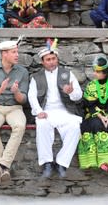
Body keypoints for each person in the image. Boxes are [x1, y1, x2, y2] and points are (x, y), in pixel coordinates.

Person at [28, 39, 83, 178]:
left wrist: (71, 92)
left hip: (65, 111)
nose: (51, 62)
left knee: (75, 127)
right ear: (43, 62)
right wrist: (39, 112)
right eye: (48, 59)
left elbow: (78, 96)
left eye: (53, 58)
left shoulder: (67, 74)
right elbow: (32, 97)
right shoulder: (36, 77)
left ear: (57, 59)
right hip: (46, 111)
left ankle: (62, 162)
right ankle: (47, 163)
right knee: (42, 125)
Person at [0, 37, 28, 184]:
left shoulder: (23, 71)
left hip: (15, 107)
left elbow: (24, 99)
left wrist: (16, 93)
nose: (17, 55)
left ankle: (1, 166)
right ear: (4, 54)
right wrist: (0, 90)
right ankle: (4, 168)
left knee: (20, 125)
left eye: (17, 52)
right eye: (13, 52)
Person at [78, 56, 108, 171]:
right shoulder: (91, 86)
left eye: (98, 72)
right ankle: (100, 161)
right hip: (93, 114)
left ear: (105, 72)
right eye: (95, 71)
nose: (95, 74)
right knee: (96, 124)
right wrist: (100, 116)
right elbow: (89, 105)